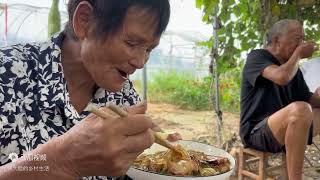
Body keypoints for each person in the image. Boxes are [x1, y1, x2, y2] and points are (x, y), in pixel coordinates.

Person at [0, 0, 175, 179]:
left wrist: (158, 157)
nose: (140, 62)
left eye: (149, 50)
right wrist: (59, 161)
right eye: (131, 43)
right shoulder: (6, 75)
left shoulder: (125, 98)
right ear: (85, 21)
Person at [240, 19, 320, 180]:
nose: (301, 44)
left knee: (306, 109)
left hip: (287, 130)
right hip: (256, 133)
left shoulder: (293, 69)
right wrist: (298, 54)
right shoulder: (257, 57)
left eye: (303, 39)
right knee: (300, 110)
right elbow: (281, 77)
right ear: (277, 40)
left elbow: (309, 101)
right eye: (297, 39)